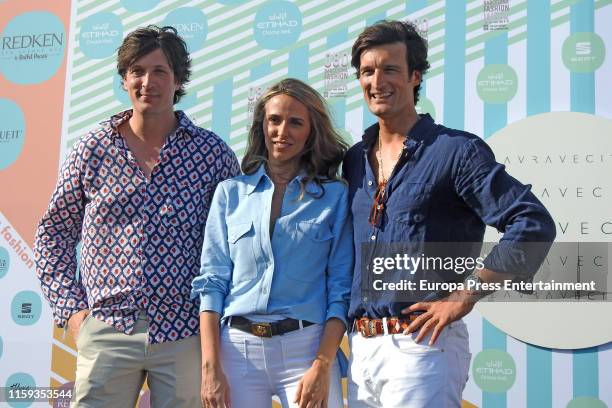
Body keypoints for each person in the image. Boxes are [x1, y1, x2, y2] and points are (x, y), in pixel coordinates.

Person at [343, 20, 556, 407]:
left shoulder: (457, 151)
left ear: (414, 76)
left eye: (390, 68)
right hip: (361, 352)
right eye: (368, 71)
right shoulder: (353, 161)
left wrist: (465, 294)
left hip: (423, 347)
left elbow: (532, 224)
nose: (378, 81)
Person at [34, 25, 240, 407]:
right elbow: (53, 234)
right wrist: (74, 314)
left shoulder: (212, 155)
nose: (148, 82)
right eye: (138, 71)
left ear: (178, 80)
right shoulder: (93, 149)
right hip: (108, 328)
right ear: (124, 79)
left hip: (185, 331)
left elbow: (237, 242)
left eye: (160, 71)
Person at [191, 78, 353, 408]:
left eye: (296, 122)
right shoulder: (229, 193)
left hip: (305, 350)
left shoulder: (334, 197)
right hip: (236, 351)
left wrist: (322, 364)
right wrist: (211, 367)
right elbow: (212, 283)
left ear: (311, 131)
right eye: (274, 120)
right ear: (261, 126)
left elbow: (341, 290)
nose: (282, 132)